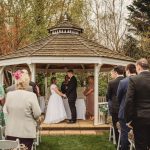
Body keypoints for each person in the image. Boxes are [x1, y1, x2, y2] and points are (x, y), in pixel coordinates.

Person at [4, 70, 41, 150]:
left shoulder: (9, 95)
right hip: (26, 132)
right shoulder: (31, 95)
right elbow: (37, 113)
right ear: (27, 82)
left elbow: (6, 111)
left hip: (11, 131)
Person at [125, 58, 150, 150]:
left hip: (140, 118)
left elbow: (129, 100)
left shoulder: (134, 79)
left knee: (141, 146)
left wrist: (128, 119)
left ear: (138, 67)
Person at [117, 64, 136, 150]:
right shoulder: (142, 80)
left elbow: (119, 97)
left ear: (127, 70)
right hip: (137, 113)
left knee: (124, 133)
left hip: (124, 112)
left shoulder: (123, 82)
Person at [106, 65, 124, 144]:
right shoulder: (129, 80)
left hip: (115, 108)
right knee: (125, 126)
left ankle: (118, 143)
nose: (112, 74)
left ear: (116, 72)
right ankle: (126, 143)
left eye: (113, 72)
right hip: (126, 108)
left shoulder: (112, 82)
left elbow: (108, 95)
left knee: (116, 125)